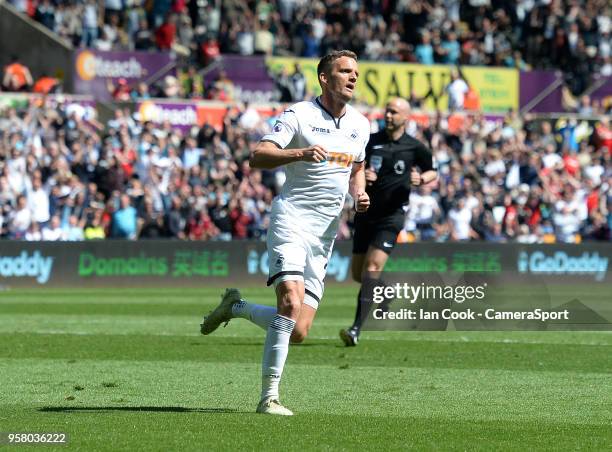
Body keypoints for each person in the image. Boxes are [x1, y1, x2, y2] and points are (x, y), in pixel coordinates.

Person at [199, 50, 371, 415]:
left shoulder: (361, 124)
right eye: (345, 71)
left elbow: (357, 166)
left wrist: (360, 193)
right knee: (289, 302)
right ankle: (268, 398)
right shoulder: (299, 115)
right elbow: (257, 155)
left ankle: (237, 307)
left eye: (356, 72)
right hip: (291, 219)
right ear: (325, 78)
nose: (353, 77)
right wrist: (299, 154)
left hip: (324, 237)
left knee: (298, 330)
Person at [339, 98, 438, 346]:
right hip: (366, 213)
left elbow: (432, 170)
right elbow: (354, 168)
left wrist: (422, 178)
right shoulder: (371, 141)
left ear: (406, 117)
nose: (389, 115)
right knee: (358, 275)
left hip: (391, 216)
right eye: (387, 111)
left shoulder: (414, 147)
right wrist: (363, 174)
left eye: (394, 112)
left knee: (372, 269)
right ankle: (387, 292)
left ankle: (355, 330)